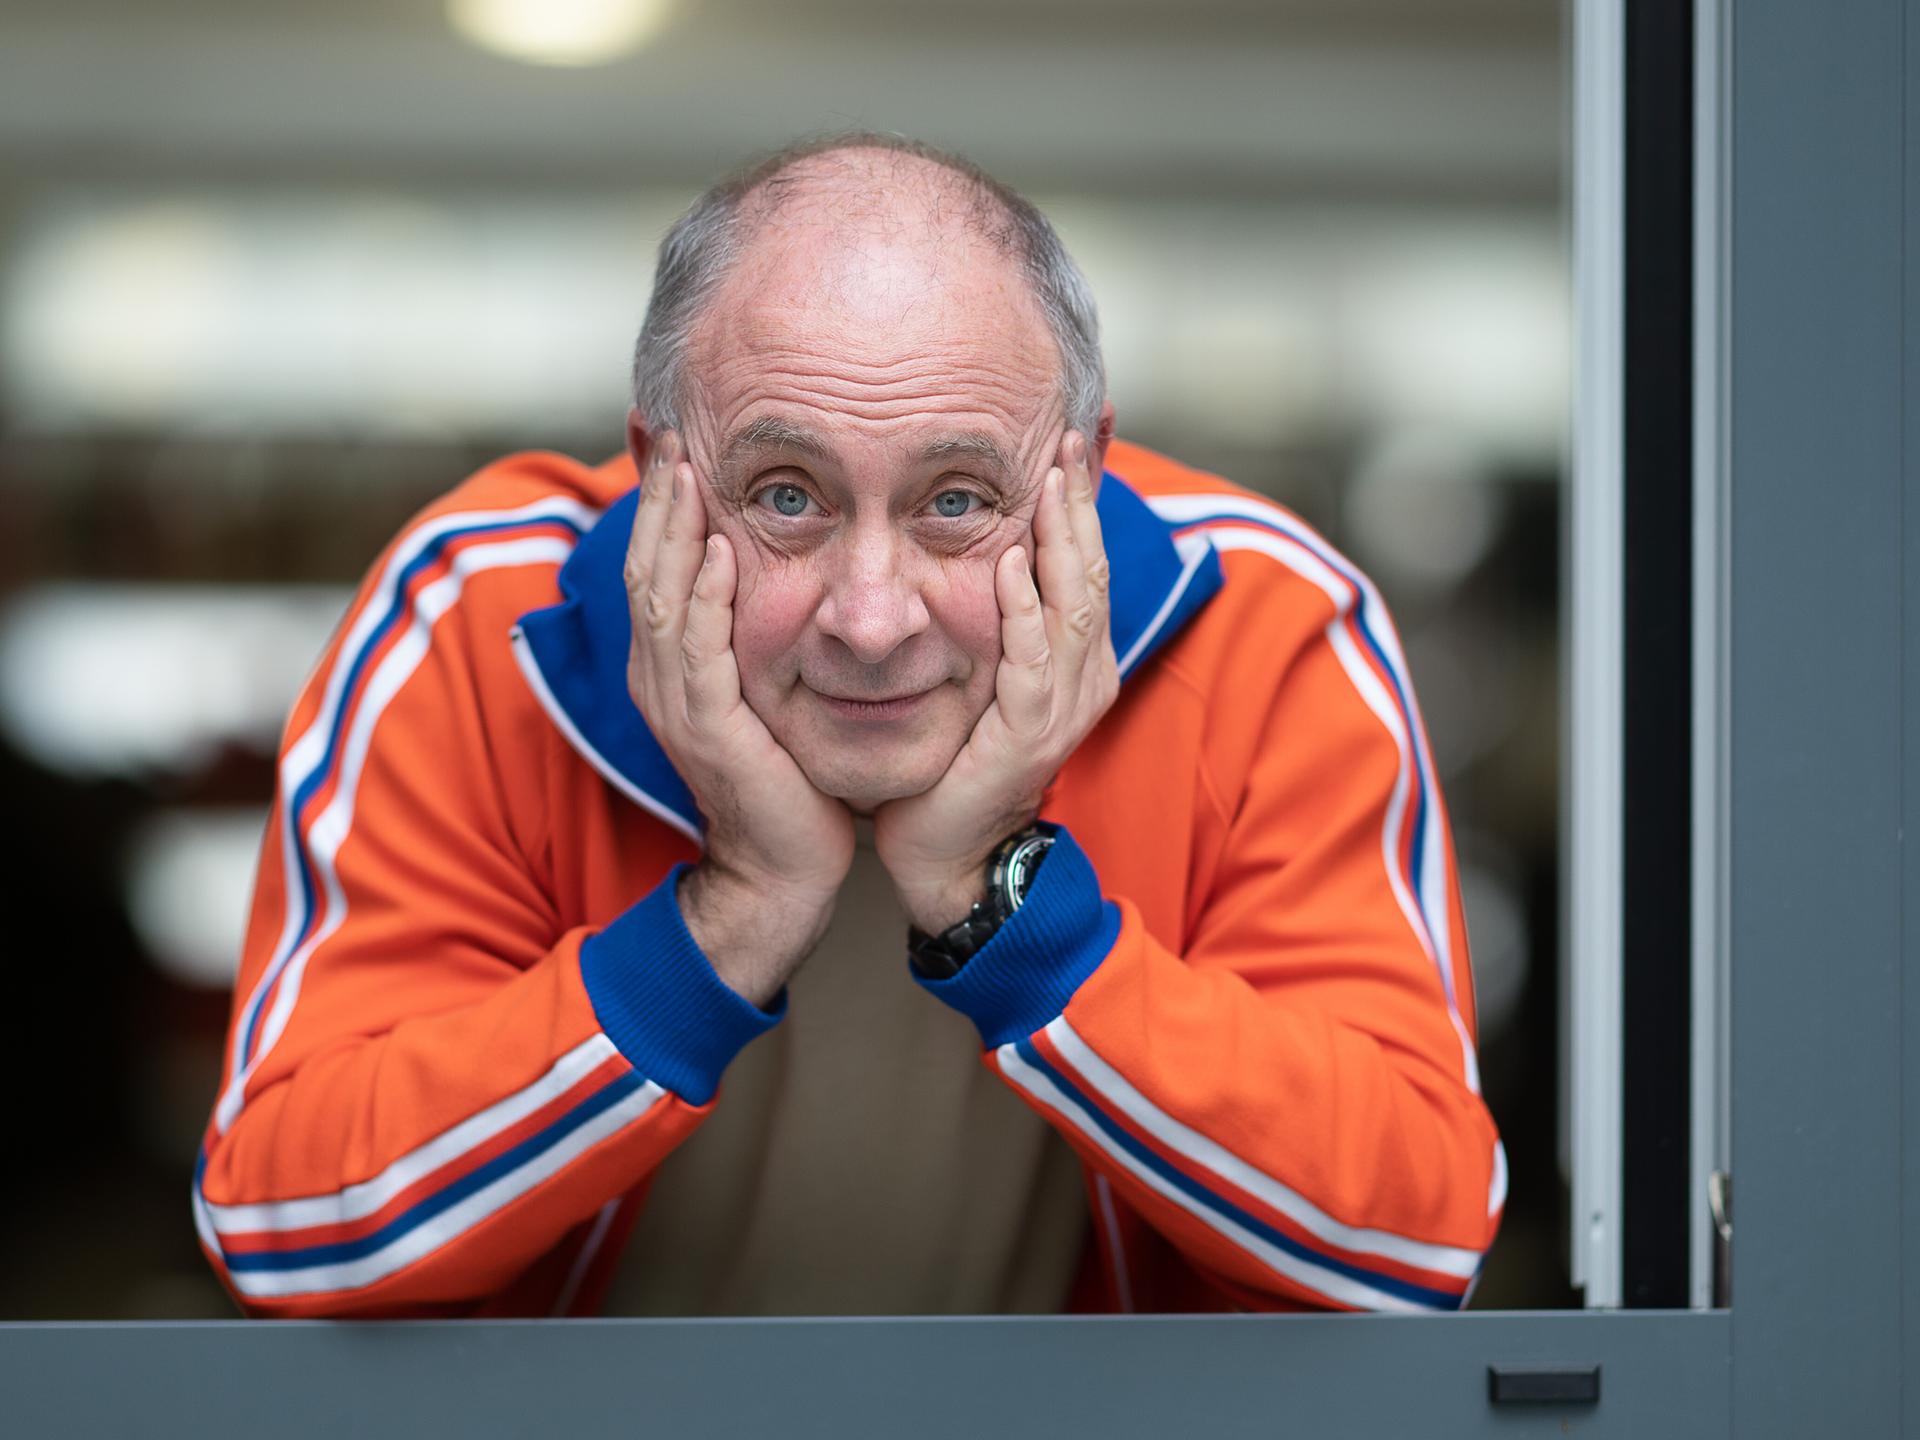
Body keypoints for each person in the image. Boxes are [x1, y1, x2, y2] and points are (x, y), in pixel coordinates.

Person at [193, 135, 1505, 1319]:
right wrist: (740, 909)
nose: (872, 620)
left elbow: (1411, 1247)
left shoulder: (1267, 629)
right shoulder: (477, 623)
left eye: (954, 501)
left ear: (1084, 478)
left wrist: (998, 900)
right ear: (659, 471)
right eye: (785, 495)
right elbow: (286, 1223)